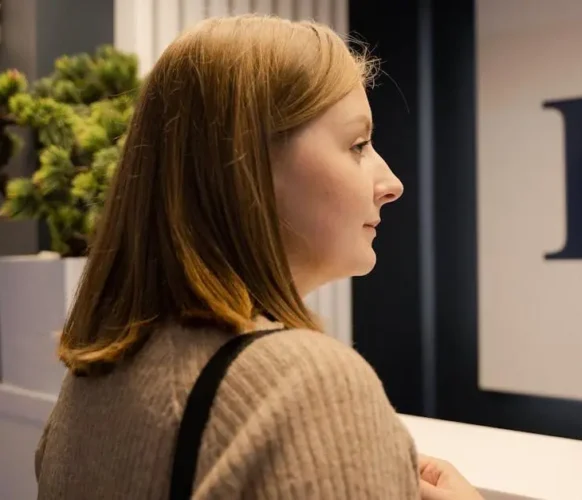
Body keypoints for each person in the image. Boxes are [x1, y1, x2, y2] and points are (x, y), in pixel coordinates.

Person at [34, 14, 483, 500]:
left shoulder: (87, 388)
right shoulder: (307, 389)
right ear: (248, 169)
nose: (391, 184)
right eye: (358, 145)